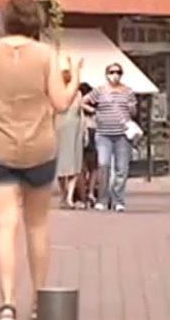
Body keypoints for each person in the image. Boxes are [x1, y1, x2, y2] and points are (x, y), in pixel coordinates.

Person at [0, 0, 81, 320]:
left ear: (4, 20)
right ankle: (40, 299)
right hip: (39, 147)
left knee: (4, 225)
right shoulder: (46, 55)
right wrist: (75, 80)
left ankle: (8, 302)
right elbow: (60, 103)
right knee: (37, 225)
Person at [83, 63, 138, 212]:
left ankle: (118, 200)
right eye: (112, 72)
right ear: (106, 74)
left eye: (118, 72)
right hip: (103, 134)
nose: (115, 75)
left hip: (122, 134)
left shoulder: (128, 91)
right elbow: (83, 101)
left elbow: (133, 111)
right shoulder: (100, 90)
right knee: (103, 165)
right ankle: (102, 198)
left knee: (122, 168)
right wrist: (94, 112)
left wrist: (131, 108)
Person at [55, 58, 85, 209]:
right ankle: (68, 196)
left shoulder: (58, 93)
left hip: (64, 129)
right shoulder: (70, 94)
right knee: (70, 165)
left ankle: (66, 196)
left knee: (65, 166)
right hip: (69, 129)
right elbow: (80, 113)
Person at [78, 82, 99, 208]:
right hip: (93, 131)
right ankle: (90, 192)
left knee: (81, 166)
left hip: (80, 131)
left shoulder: (78, 104)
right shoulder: (95, 107)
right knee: (94, 167)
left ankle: (82, 195)